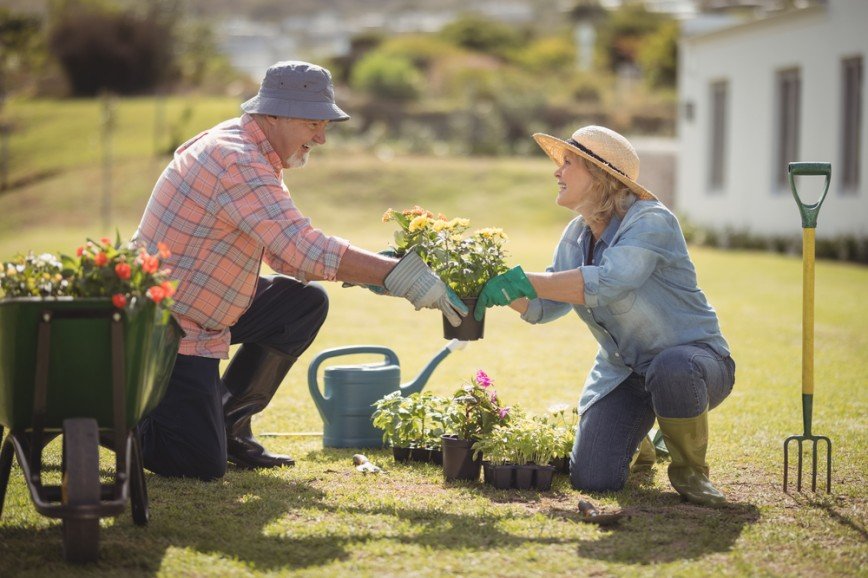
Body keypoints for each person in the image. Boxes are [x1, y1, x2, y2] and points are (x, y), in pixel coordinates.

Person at [133, 61, 467, 481]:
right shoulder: (234, 158)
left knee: (300, 304)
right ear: (274, 113)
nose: (322, 137)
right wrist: (397, 275)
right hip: (167, 327)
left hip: (205, 312)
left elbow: (287, 257)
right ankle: (102, 417)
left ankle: (228, 425)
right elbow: (301, 246)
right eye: (313, 123)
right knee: (198, 463)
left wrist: (380, 274)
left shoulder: (256, 152)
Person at [474, 126, 735, 506]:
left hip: (696, 365)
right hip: (625, 374)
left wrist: (522, 280)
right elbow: (545, 305)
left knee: (672, 367)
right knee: (594, 479)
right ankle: (642, 440)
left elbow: (609, 282)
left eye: (568, 163)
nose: (556, 172)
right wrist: (497, 287)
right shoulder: (576, 235)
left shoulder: (651, 221)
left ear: (600, 176)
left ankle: (691, 471)